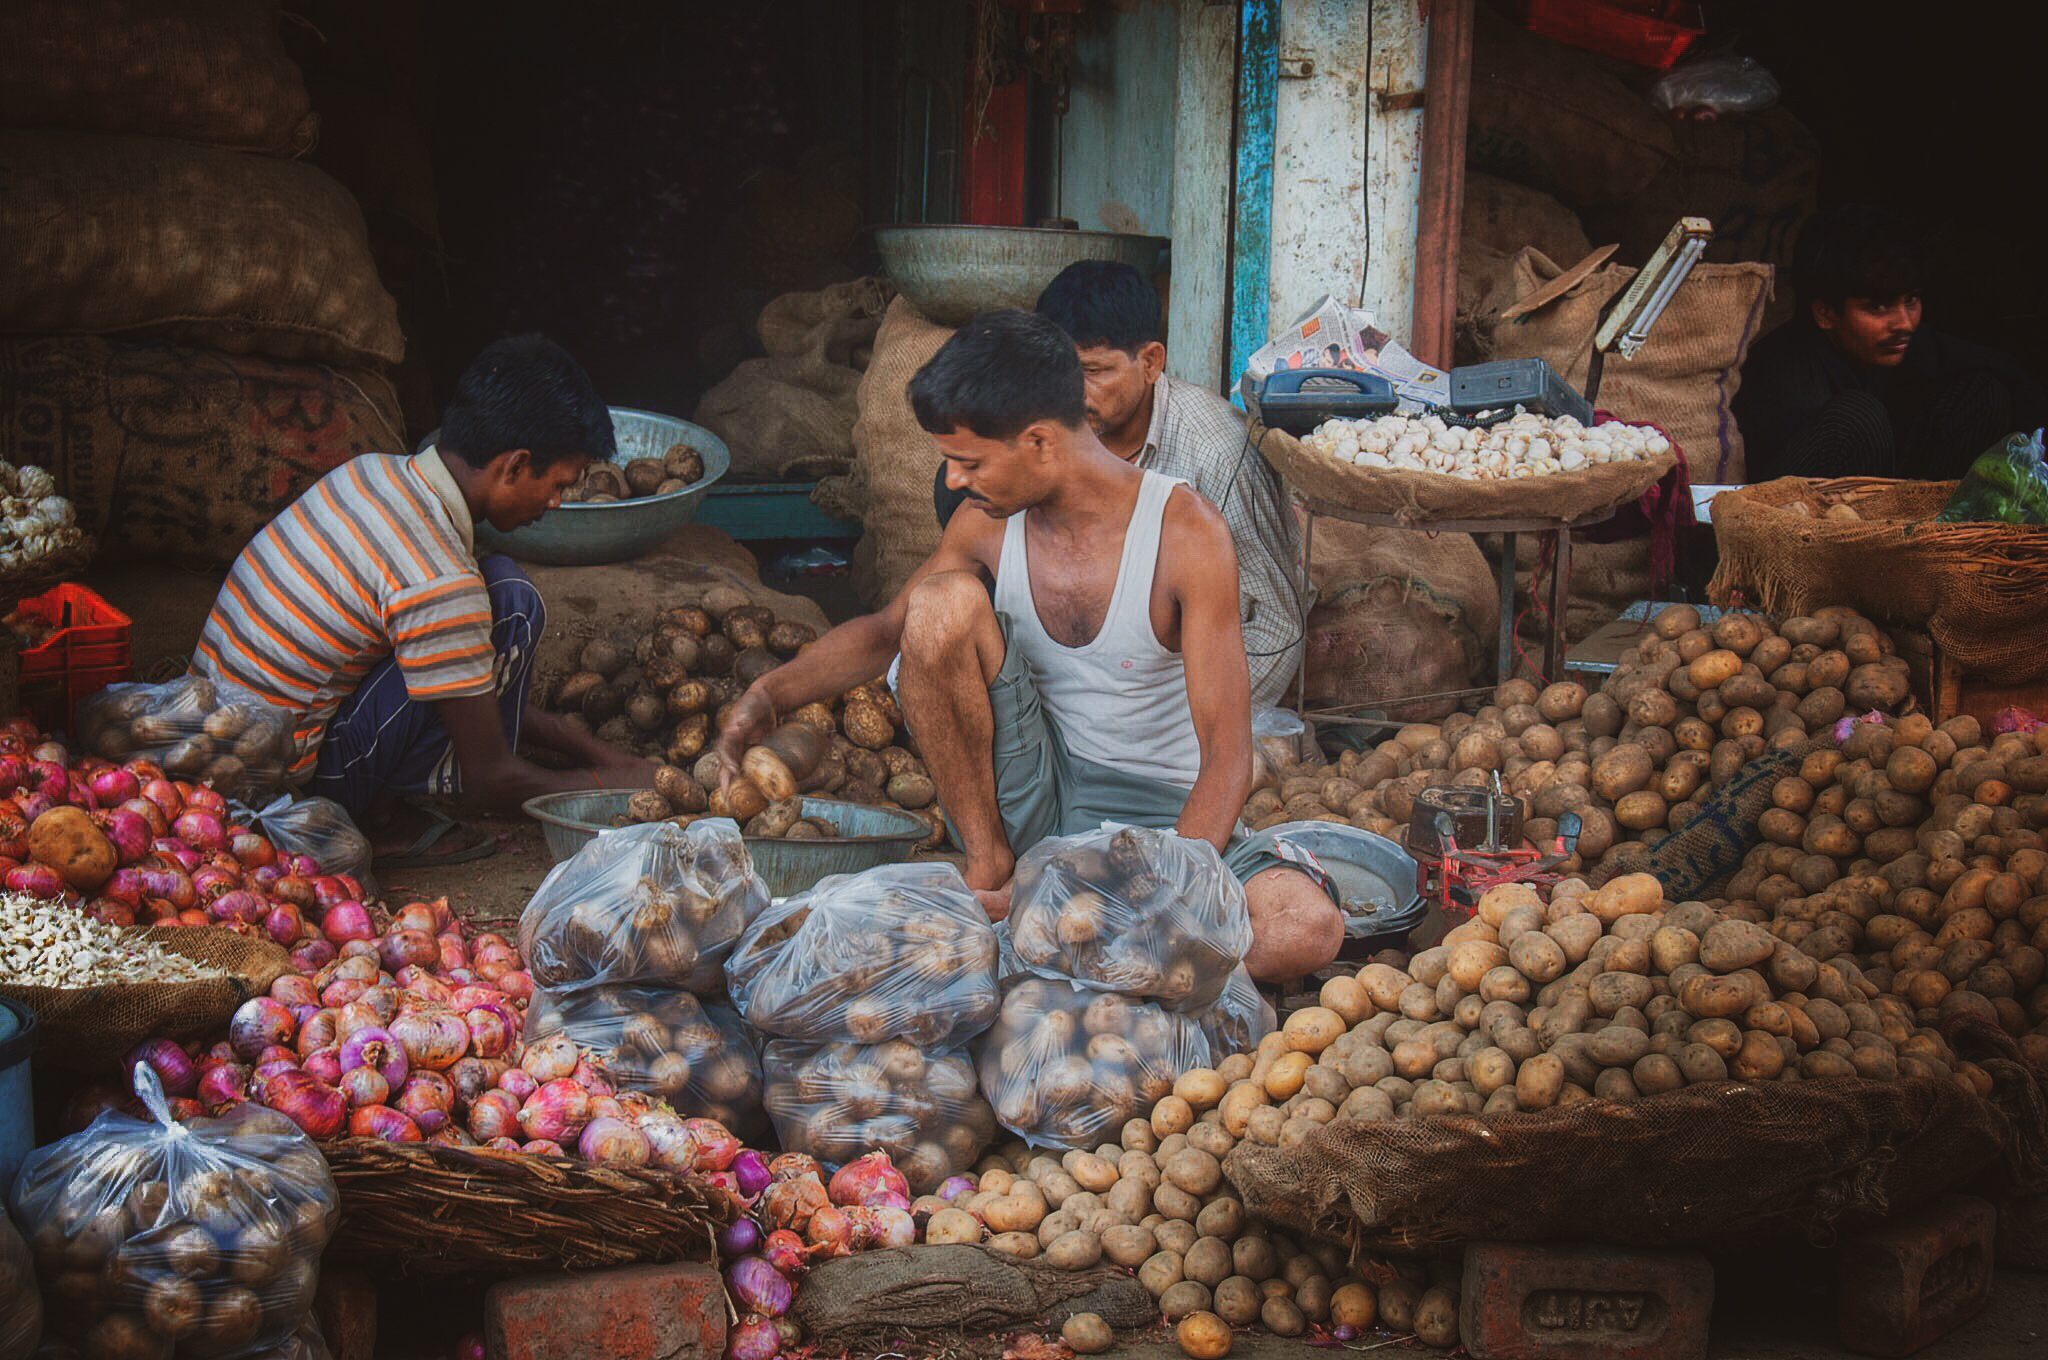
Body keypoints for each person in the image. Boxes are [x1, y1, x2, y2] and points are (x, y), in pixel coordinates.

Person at [721, 310, 1344, 982]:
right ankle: (996, 872)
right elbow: (883, 632)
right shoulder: (983, 525)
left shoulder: (1185, 531)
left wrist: (1156, 895)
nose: (955, 481)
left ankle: (1043, 927)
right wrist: (767, 695)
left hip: (1158, 819)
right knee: (937, 606)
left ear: (1041, 442)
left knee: (1304, 926)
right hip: (1032, 798)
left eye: (968, 461)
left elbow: (1226, 756)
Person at [192, 335, 655, 867]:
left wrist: (589, 747)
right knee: (510, 604)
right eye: (556, 485)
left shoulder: (373, 473)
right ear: (513, 465)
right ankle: (376, 818)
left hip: (215, 748)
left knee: (490, 594)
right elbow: (489, 781)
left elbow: (462, 681)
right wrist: (606, 785)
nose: (553, 504)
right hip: (275, 799)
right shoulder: (440, 579)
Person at [933, 261, 1307, 706]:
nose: (1073, 394)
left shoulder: (1219, 453)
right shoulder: (1048, 423)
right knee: (960, 488)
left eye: (1093, 372)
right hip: (1070, 672)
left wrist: (1183, 727)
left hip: (1169, 687)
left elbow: (1277, 626)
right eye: (1061, 371)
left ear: (1150, 362)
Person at [1735, 205, 2046, 483]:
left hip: (1892, 510)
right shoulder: (1781, 379)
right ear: (1825, 313)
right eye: (1878, 307)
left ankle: (1938, 536)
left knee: (1985, 394)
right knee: (1858, 418)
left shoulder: (1889, 339)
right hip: (1805, 522)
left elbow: (2002, 366)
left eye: (1911, 300)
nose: (1905, 323)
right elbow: (1768, 503)